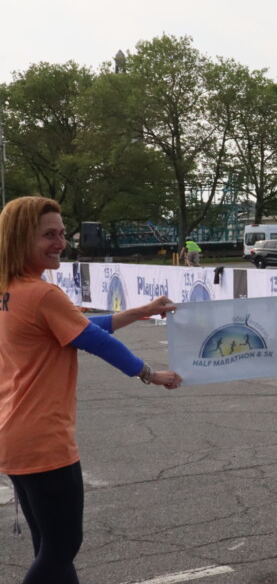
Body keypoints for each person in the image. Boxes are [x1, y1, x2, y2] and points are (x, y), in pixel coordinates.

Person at [0, 196, 182, 584]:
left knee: (49, 548)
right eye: (48, 234)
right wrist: (151, 373)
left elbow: (80, 327)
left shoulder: (11, 290)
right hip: (42, 438)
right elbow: (95, 341)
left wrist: (138, 311)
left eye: (63, 233)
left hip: (14, 433)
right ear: (19, 239)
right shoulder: (42, 294)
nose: (61, 242)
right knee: (61, 547)